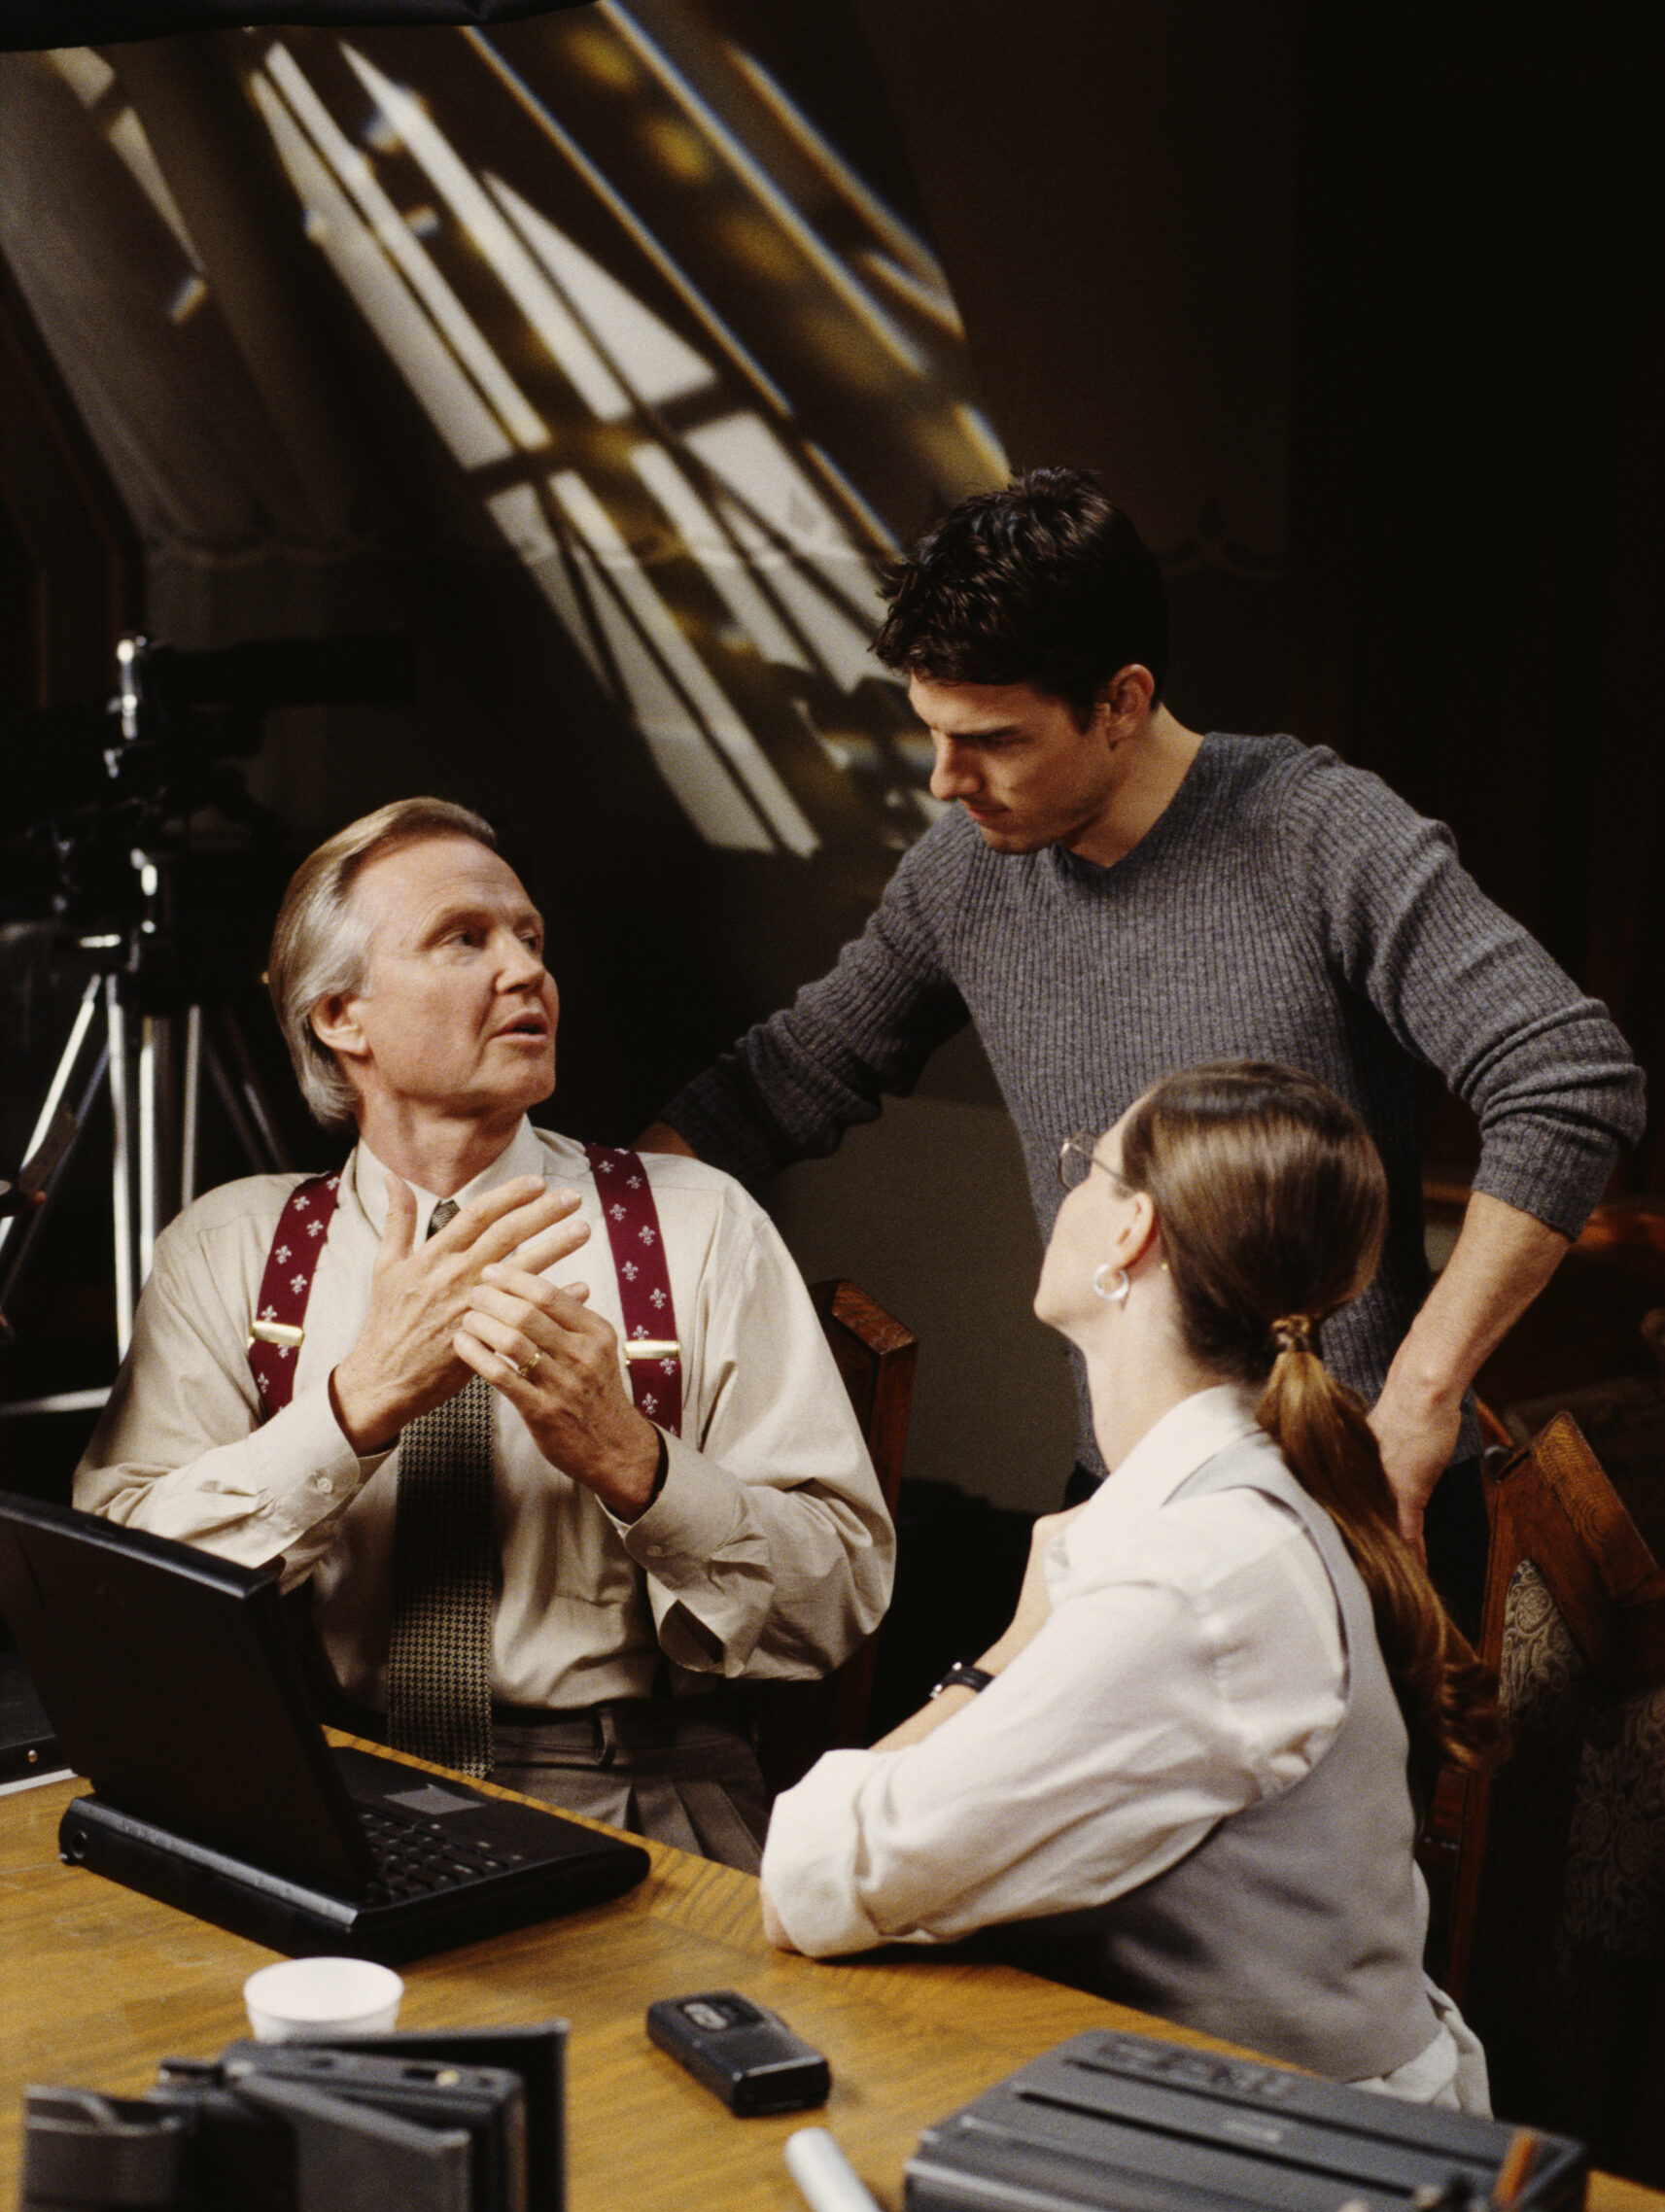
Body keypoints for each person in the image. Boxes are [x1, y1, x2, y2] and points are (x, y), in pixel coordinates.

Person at [641, 470, 1646, 1627]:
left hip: (1362, 1500)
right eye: (933, 733)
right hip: (1125, 1503)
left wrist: (1425, 1390)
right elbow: (774, 1086)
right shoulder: (965, 868)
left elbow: (1569, 1076)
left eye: (992, 740)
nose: (944, 779)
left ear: (1122, 700)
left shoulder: (1322, 832)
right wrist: (576, 1240)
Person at [75, 799, 893, 1867]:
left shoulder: (697, 1224)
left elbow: (837, 1601)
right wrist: (346, 1412)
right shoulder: (229, 1248)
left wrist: (633, 1460)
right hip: (319, 1785)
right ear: (340, 1016)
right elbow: (119, 1608)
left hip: (636, 1796)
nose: (524, 971)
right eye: (465, 938)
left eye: (530, 938)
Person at [759, 1060, 1500, 2106]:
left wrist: (1004, 1659)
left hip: (1289, 2165)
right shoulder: (1240, 1498)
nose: (1066, 1192)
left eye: (1087, 1169)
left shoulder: (1198, 1580)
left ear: (1130, 1235)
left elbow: (812, 1873)